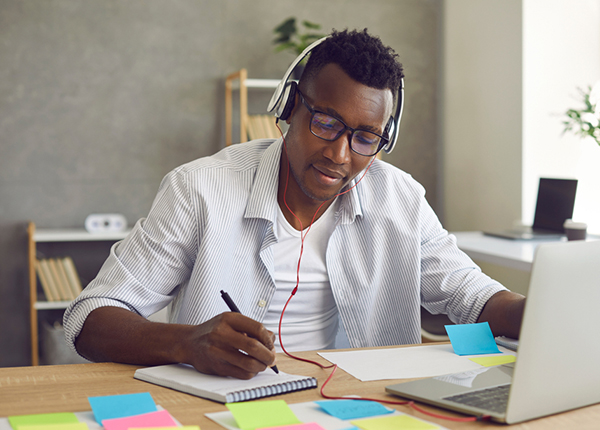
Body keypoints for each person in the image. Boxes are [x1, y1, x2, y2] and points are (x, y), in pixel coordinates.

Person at [64, 29, 525, 380]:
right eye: (326, 122)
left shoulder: (400, 199)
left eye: (365, 138)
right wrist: (187, 342)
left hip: (359, 405)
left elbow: (471, 295)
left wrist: (536, 312)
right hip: (225, 409)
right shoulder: (201, 189)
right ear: (288, 109)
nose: (340, 155)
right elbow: (89, 319)